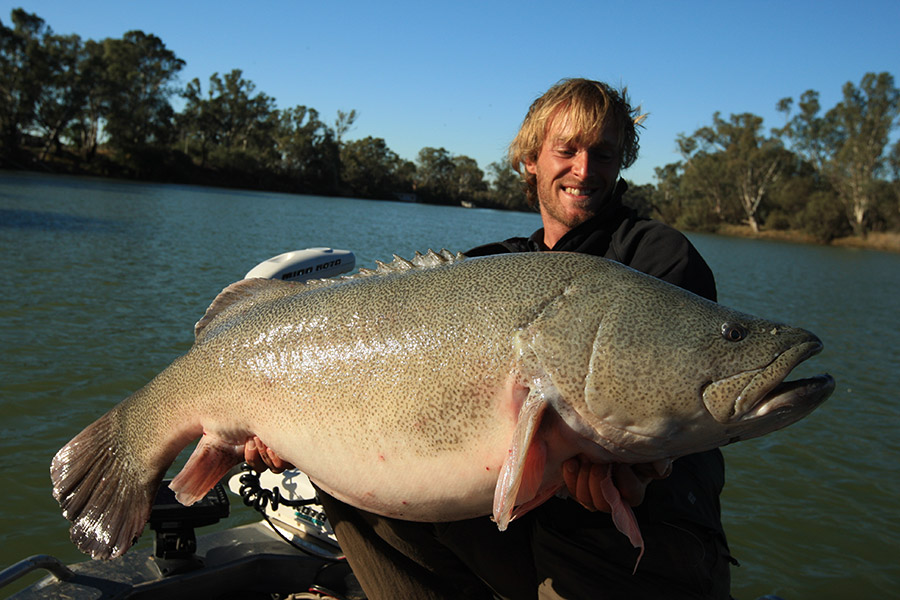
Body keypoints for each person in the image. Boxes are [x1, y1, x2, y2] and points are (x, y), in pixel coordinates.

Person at [247, 78, 735, 599]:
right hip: (517, 522)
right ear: (531, 159)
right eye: (566, 150)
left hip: (636, 539)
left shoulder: (657, 258)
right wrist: (287, 423)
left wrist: (645, 472)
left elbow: (683, 397)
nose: (585, 169)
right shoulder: (488, 266)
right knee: (349, 479)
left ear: (621, 164)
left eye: (604, 153)